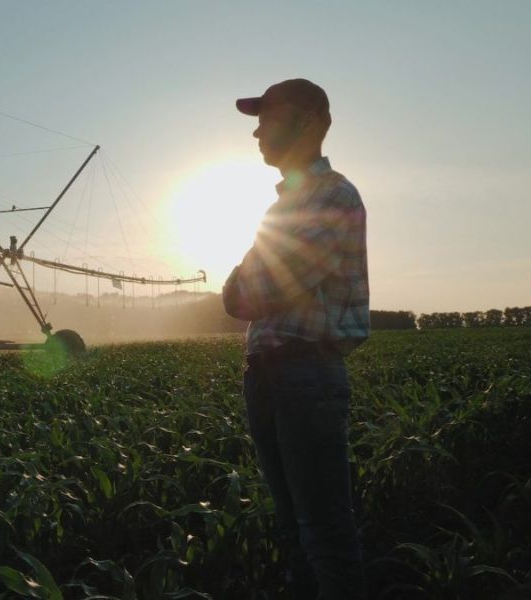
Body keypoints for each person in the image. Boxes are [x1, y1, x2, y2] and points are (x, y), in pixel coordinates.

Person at [223, 78, 369, 599]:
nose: (257, 130)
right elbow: (245, 293)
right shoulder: (285, 205)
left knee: (323, 534)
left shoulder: (332, 195)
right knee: (296, 532)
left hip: (305, 373)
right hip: (267, 374)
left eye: (268, 116)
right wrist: (243, 285)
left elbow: (251, 291)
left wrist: (243, 282)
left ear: (309, 121)